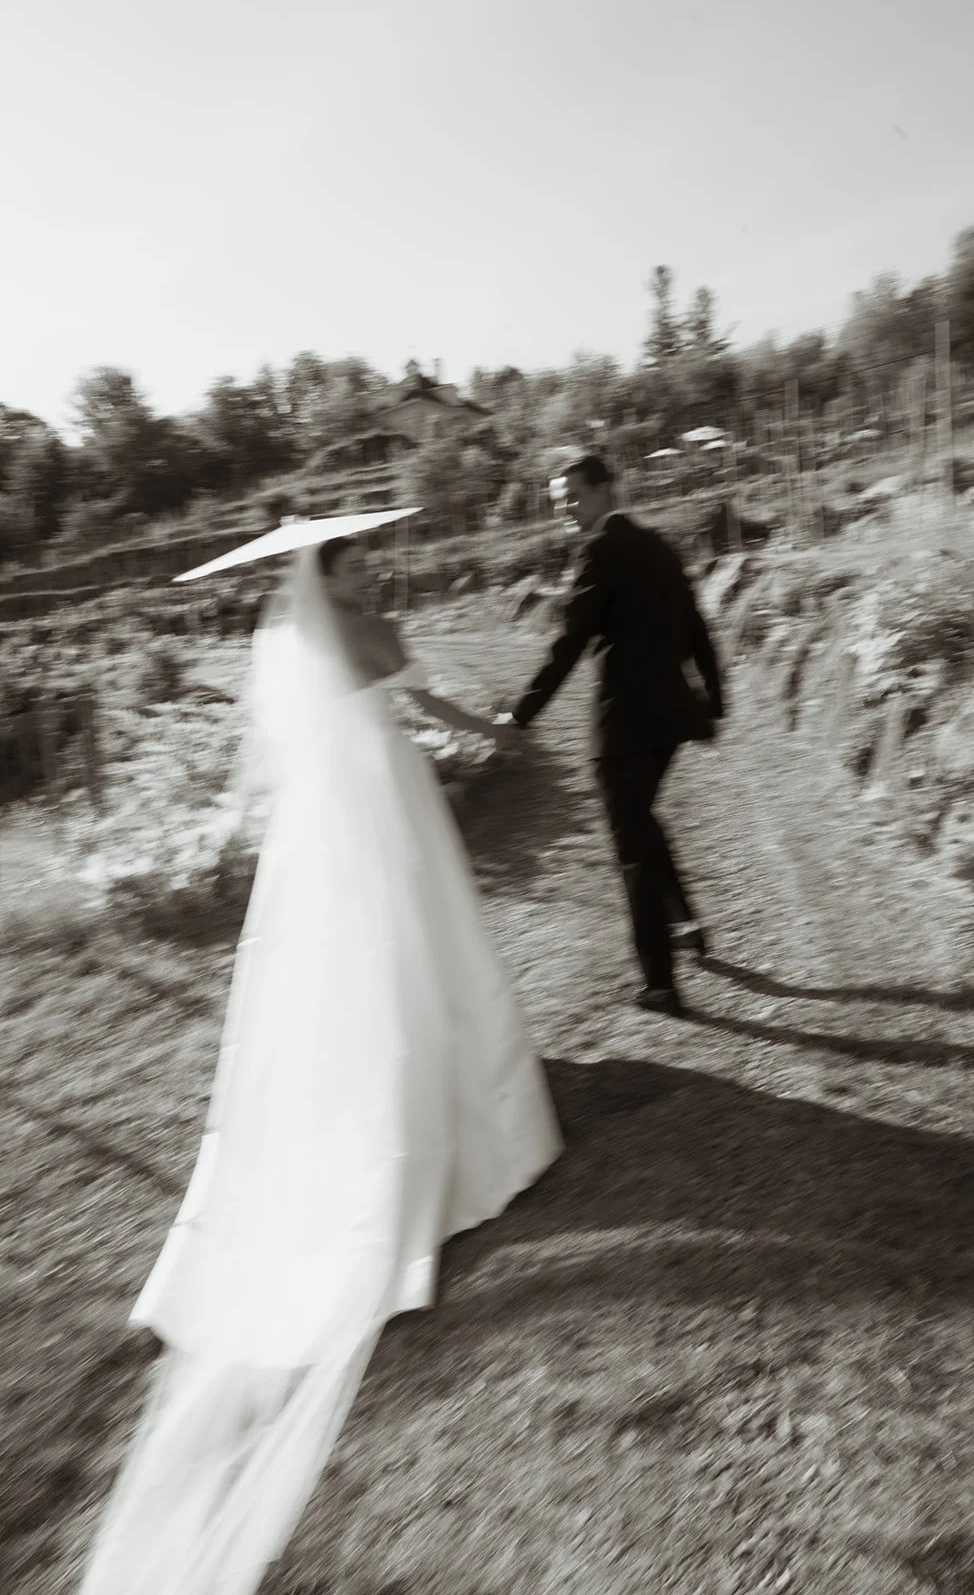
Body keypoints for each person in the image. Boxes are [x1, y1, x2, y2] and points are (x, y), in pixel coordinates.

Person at [80, 537, 562, 1595]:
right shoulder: (363, 626)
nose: (375, 568)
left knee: (355, 962)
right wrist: (502, 734)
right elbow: (427, 708)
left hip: (322, 825)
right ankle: (436, 1104)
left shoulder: (283, 633)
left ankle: (389, 1072)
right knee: (419, 941)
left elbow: (290, 746)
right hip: (385, 807)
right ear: (331, 570)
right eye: (359, 561)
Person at [497, 455, 725, 1017]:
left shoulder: (598, 551)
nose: (565, 510)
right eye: (558, 501)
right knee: (642, 819)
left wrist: (521, 715)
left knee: (631, 847)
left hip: (625, 721)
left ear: (606, 491)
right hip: (671, 716)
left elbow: (569, 644)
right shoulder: (660, 546)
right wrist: (714, 700)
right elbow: (697, 628)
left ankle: (660, 983)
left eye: (573, 497)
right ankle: (686, 924)